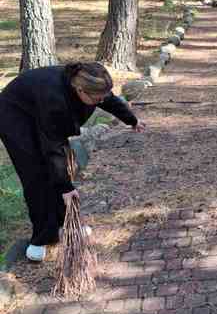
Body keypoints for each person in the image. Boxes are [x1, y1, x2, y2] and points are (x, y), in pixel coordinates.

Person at [0, 62, 145, 263]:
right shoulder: (56, 100)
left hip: (38, 106)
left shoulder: (91, 85)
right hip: (14, 115)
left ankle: (66, 223)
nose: (101, 100)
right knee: (36, 174)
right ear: (79, 90)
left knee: (55, 172)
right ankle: (42, 239)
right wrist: (65, 186)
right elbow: (54, 147)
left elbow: (109, 100)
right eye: (97, 98)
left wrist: (132, 120)